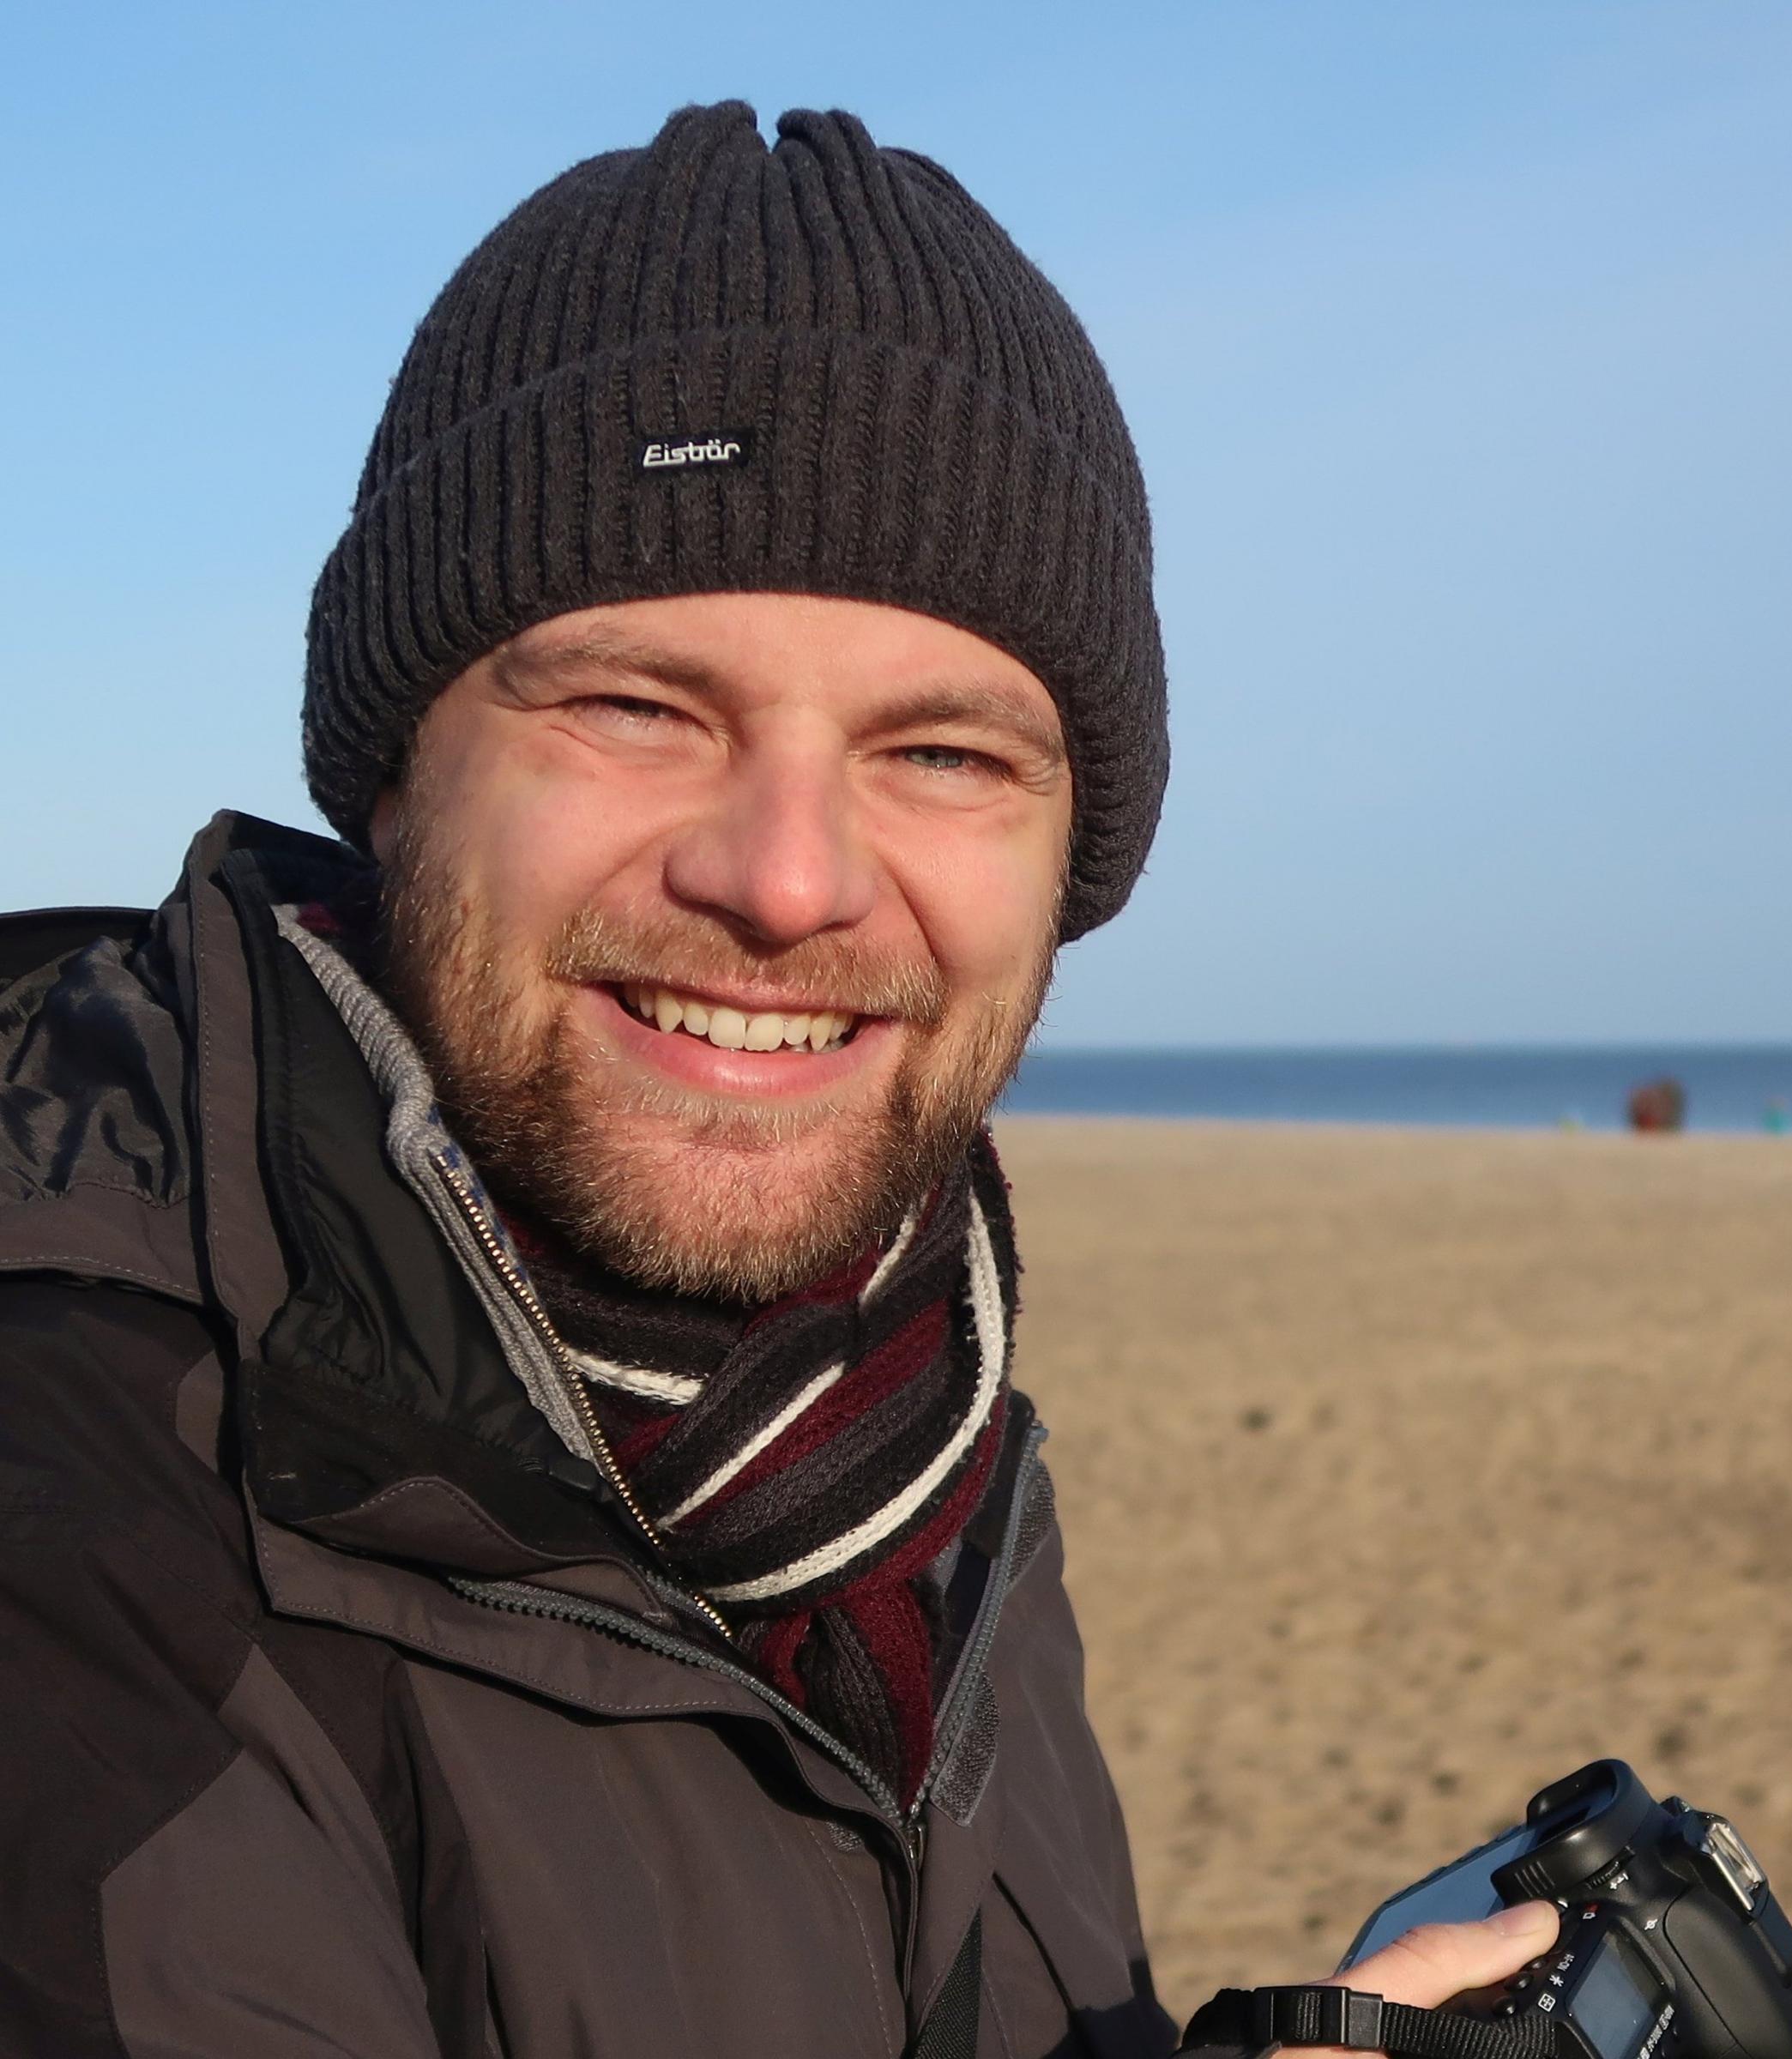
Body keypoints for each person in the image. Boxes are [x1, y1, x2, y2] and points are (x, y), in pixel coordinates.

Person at [0, 103, 1555, 2056]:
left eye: (944, 756)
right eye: (640, 708)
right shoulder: (83, 1480)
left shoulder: (911, 1442)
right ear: (396, 768)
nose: (789, 878)